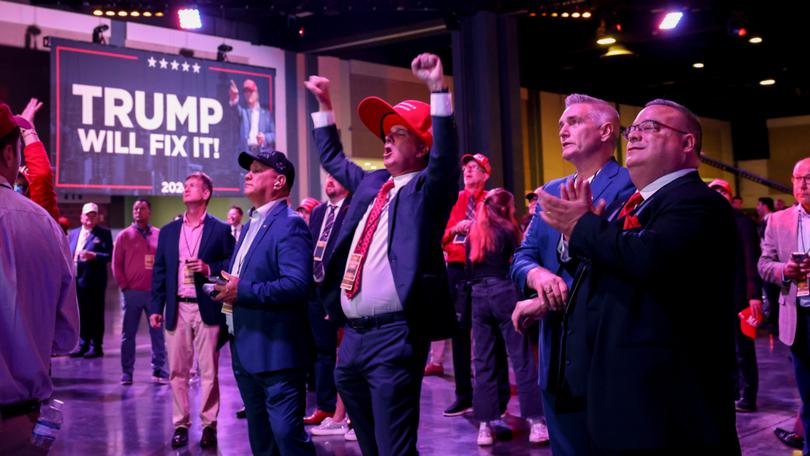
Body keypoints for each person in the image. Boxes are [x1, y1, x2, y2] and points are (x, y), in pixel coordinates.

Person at [538, 99, 740, 452]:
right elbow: (615, 270)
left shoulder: (698, 203)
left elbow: (650, 257)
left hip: (671, 410)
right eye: (633, 129)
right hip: (629, 401)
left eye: (651, 128)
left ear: (687, 143)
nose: (634, 136)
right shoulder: (637, 206)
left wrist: (582, 225)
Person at [304, 52, 458, 455]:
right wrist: (325, 105)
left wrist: (438, 89)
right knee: (370, 447)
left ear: (423, 147)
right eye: (385, 133)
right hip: (352, 339)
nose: (386, 138)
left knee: (394, 447)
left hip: (395, 334)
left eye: (399, 133)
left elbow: (445, 159)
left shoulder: (429, 189)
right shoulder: (373, 183)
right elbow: (333, 159)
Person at [510, 93, 634, 455]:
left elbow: (617, 264)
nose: (562, 129)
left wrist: (551, 295)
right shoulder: (548, 192)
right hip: (554, 359)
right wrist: (538, 278)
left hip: (604, 356)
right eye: (561, 123)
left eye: (574, 121)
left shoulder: (629, 188)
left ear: (606, 130)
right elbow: (523, 256)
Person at [213, 148, 316, 455]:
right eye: (250, 169)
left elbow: (297, 285)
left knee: (287, 438)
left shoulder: (290, 223)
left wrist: (241, 290)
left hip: (277, 355)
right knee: (262, 442)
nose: (248, 174)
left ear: (279, 181)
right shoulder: (249, 225)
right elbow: (243, 279)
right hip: (245, 350)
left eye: (258, 170)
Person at [0, 101, 79, 454]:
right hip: (16, 419)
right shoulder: (39, 222)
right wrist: (27, 131)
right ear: (8, 157)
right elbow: (64, 337)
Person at [149, 171, 235, 449]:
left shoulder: (220, 229)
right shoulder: (169, 231)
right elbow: (160, 271)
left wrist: (209, 269)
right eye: (185, 186)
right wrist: (156, 306)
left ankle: (209, 425)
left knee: (208, 371)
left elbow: (231, 264)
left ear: (206, 193)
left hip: (206, 307)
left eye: (192, 186)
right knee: (177, 371)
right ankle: (180, 424)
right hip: (177, 308)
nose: (186, 189)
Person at [467, 188, 547, 446]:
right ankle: (536, 423)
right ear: (506, 208)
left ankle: (484, 428)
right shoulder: (509, 231)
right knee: (522, 358)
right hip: (504, 293)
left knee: (483, 362)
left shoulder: (474, 233)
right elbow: (520, 264)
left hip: (478, 296)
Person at [759, 157, 810, 456]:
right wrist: (784, 271)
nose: (803, 184)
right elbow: (764, 264)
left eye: (809, 178)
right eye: (797, 178)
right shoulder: (777, 221)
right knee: (808, 396)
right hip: (799, 318)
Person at [439, 152, 492, 416]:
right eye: (466, 168)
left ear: (486, 174)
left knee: (487, 334)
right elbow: (442, 237)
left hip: (484, 270)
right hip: (457, 270)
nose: (468, 171)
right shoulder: (455, 200)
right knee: (459, 333)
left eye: (475, 167)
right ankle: (464, 395)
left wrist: (479, 228)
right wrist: (455, 230)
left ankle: (492, 396)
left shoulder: (492, 201)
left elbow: (505, 233)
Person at [709, 178, 762, 413]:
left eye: (723, 191)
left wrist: (754, 295)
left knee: (743, 348)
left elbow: (752, 260)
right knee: (723, 348)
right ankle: (732, 391)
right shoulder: (708, 221)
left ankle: (748, 394)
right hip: (717, 297)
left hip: (740, 296)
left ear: (730, 196)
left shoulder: (742, 223)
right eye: (714, 191)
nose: (719, 195)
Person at [304, 173, 352, 426]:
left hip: (342, 289)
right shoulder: (320, 211)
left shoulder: (355, 208)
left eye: (336, 177)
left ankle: (351, 411)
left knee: (347, 353)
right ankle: (325, 406)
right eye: (327, 177)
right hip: (315, 289)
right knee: (321, 351)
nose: (329, 180)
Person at [112, 199, 168, 385]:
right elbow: (116, 264)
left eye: (142, 208)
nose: (138, 211)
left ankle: (159, 369)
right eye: (136, 208)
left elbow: (164, 263)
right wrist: (125, 287)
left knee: (157, 334)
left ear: (149, 212)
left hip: (154, 294)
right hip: (132, 293)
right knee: (128, 334)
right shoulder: (124, 236)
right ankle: (127, 372)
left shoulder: (159, 235)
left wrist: (162, 288)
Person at [68, 201, 113, 358]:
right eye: (87, 215)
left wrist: (94, 255)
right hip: (76, 281)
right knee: (81, 315)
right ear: (81, 217)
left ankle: (96, 346)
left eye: (93, 216)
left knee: (95, 314)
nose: (90, 219)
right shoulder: (73, 234)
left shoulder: (103, 233)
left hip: (94, 282)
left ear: (97, 218)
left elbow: (109, 255)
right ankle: (83, 344)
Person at [229, 78, 275, 152]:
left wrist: (265, 137)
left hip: (262, 153)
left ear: (257, 93)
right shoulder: (243, 112)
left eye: (250, 91)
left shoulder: (266, 114)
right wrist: (234, 100)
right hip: (247, 152)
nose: (248, 94)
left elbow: (275, 135)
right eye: (246, 92)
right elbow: (235, 111)